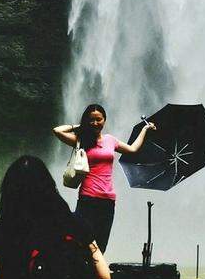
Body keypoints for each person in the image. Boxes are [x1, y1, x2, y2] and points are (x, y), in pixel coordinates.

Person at [53, 104, 156, 252]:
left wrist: (144, 129)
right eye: (91, 120)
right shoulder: (81, 140)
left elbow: (133, 149)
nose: (95, 123)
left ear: (104, 120)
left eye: (98, 119)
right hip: (88, 197)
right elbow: (57, 130)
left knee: (101, 244)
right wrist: (80, 126)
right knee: (83, 241)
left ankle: (94, 274)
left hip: (108, 199)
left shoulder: (110, 140)